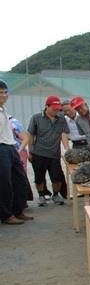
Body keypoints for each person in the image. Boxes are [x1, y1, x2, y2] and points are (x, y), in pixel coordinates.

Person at [24, 95, 70, 206]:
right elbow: (31, 135)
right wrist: (30, 151)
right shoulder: (36, 118)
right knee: (39, 177)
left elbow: (63, 134)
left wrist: (67, 150)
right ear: (46, 107)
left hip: (54, 154)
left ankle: (55, 194)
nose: (56, 111)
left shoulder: (61, 119)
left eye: (57, 108)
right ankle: (41, 195)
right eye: (53, 108)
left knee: (56, 177)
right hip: (38, 153)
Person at [0, 79, 32, 225]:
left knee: (20, 180)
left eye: (5, 92)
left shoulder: (4, 110)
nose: (4, 95)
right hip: (1, 148)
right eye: (1, 93)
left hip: (11, 147)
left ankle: (17, 210)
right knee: (4, 183)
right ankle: (6, 215)